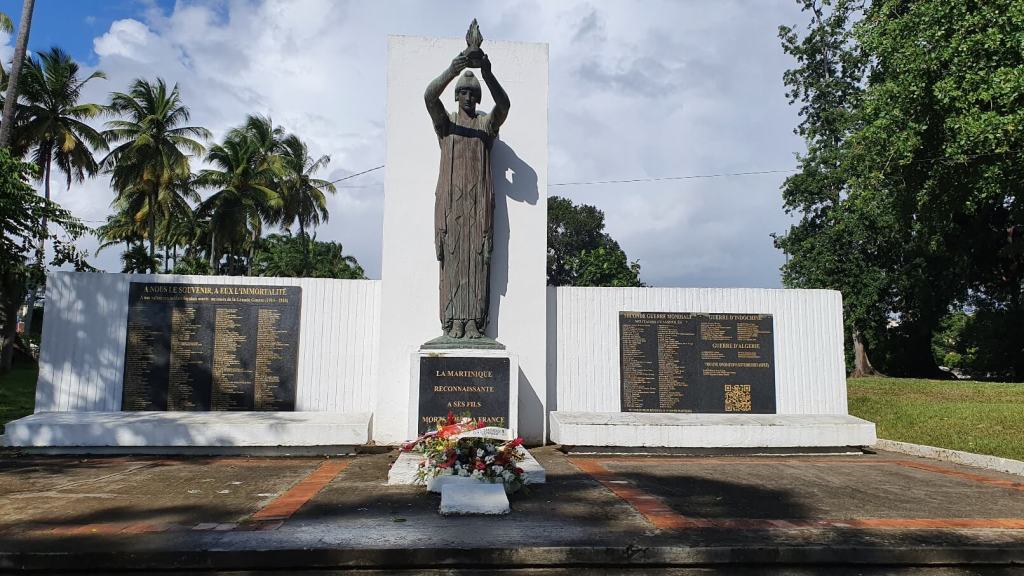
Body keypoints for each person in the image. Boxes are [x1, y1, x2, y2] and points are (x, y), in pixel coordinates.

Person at [424, 50, 510, 339]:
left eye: (473, 94)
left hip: (479, 205)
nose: (468, 99)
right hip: (450, 205)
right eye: (463, 93)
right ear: (456, 96)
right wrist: (452, 70)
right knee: (452, 261)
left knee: (478, 261)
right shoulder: (446, 125)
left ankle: (474, 321)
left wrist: (487, 73)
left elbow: (504, 105)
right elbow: (429, 97)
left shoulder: (486, 125)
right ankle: (453, 321)